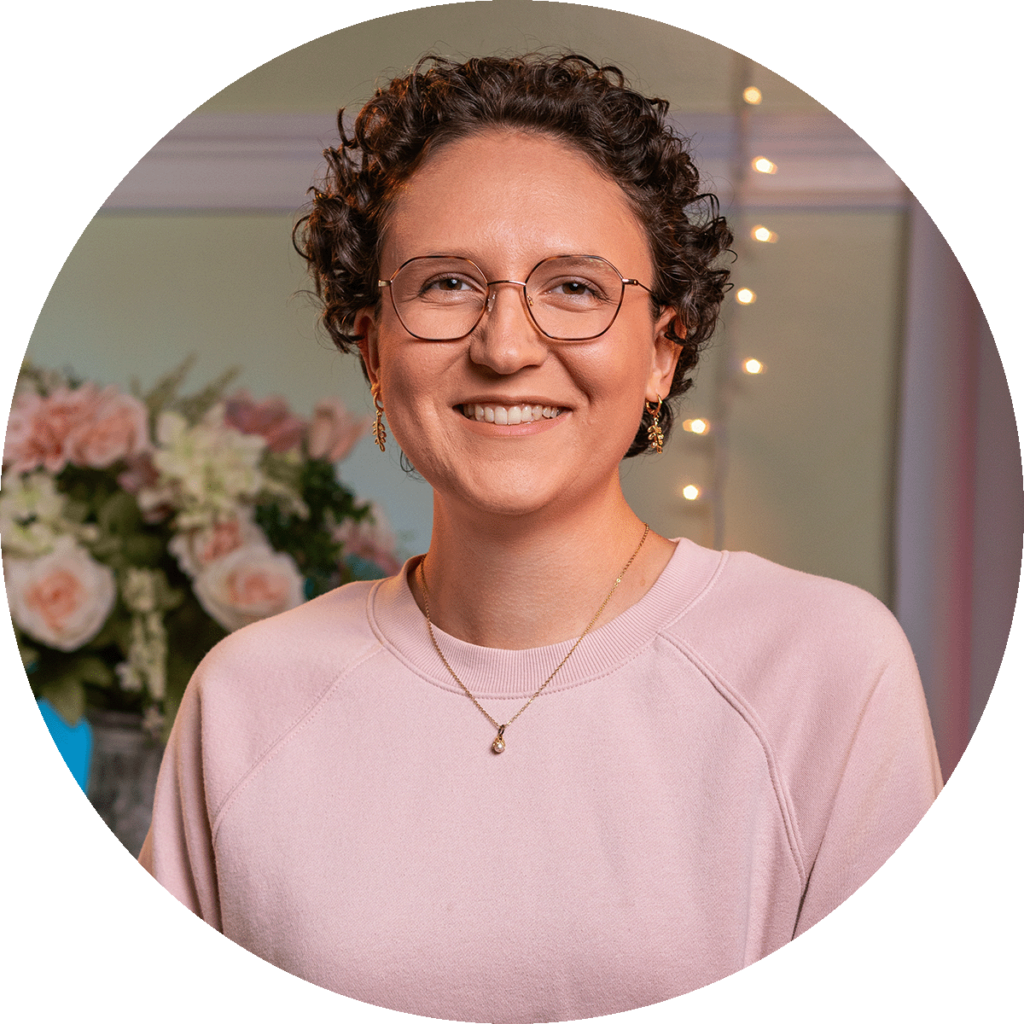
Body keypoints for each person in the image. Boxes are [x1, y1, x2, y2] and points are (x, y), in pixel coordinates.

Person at [139, 53, 942, 1019]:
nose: (506, 346)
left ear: (663, 350)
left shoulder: (825, 667)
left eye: (574, 287)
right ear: (375, 351)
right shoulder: (245, 698)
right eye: (446, 283)